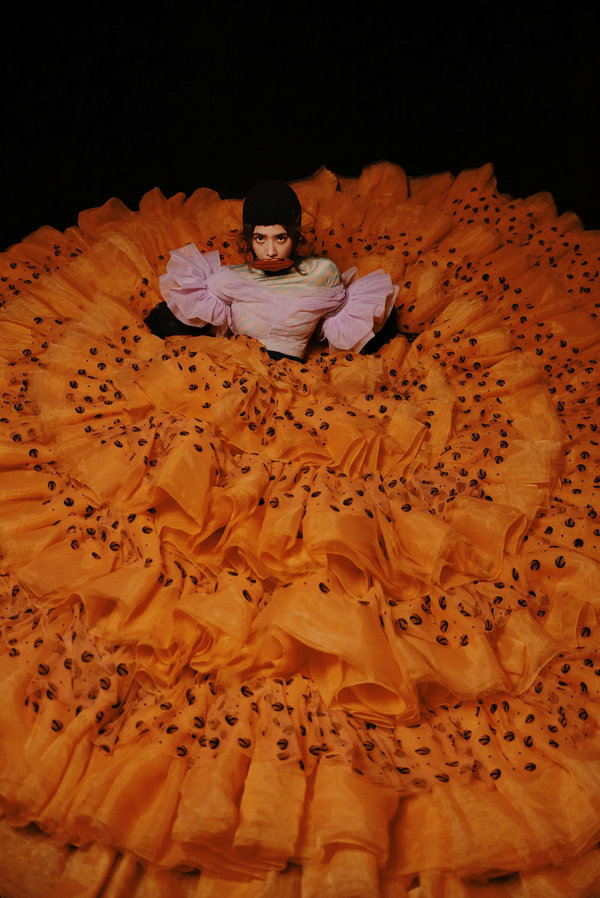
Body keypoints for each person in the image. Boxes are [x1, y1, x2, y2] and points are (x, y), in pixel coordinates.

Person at [145, 179, 399, 359]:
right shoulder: (230, 278)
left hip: (297, 381)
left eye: (280, 238)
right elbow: (181, 313)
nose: (270, 251)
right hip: (239, 371)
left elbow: (358, 323)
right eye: (260, 239)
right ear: (248, 238)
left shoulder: (322, 274)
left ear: (295, 236)